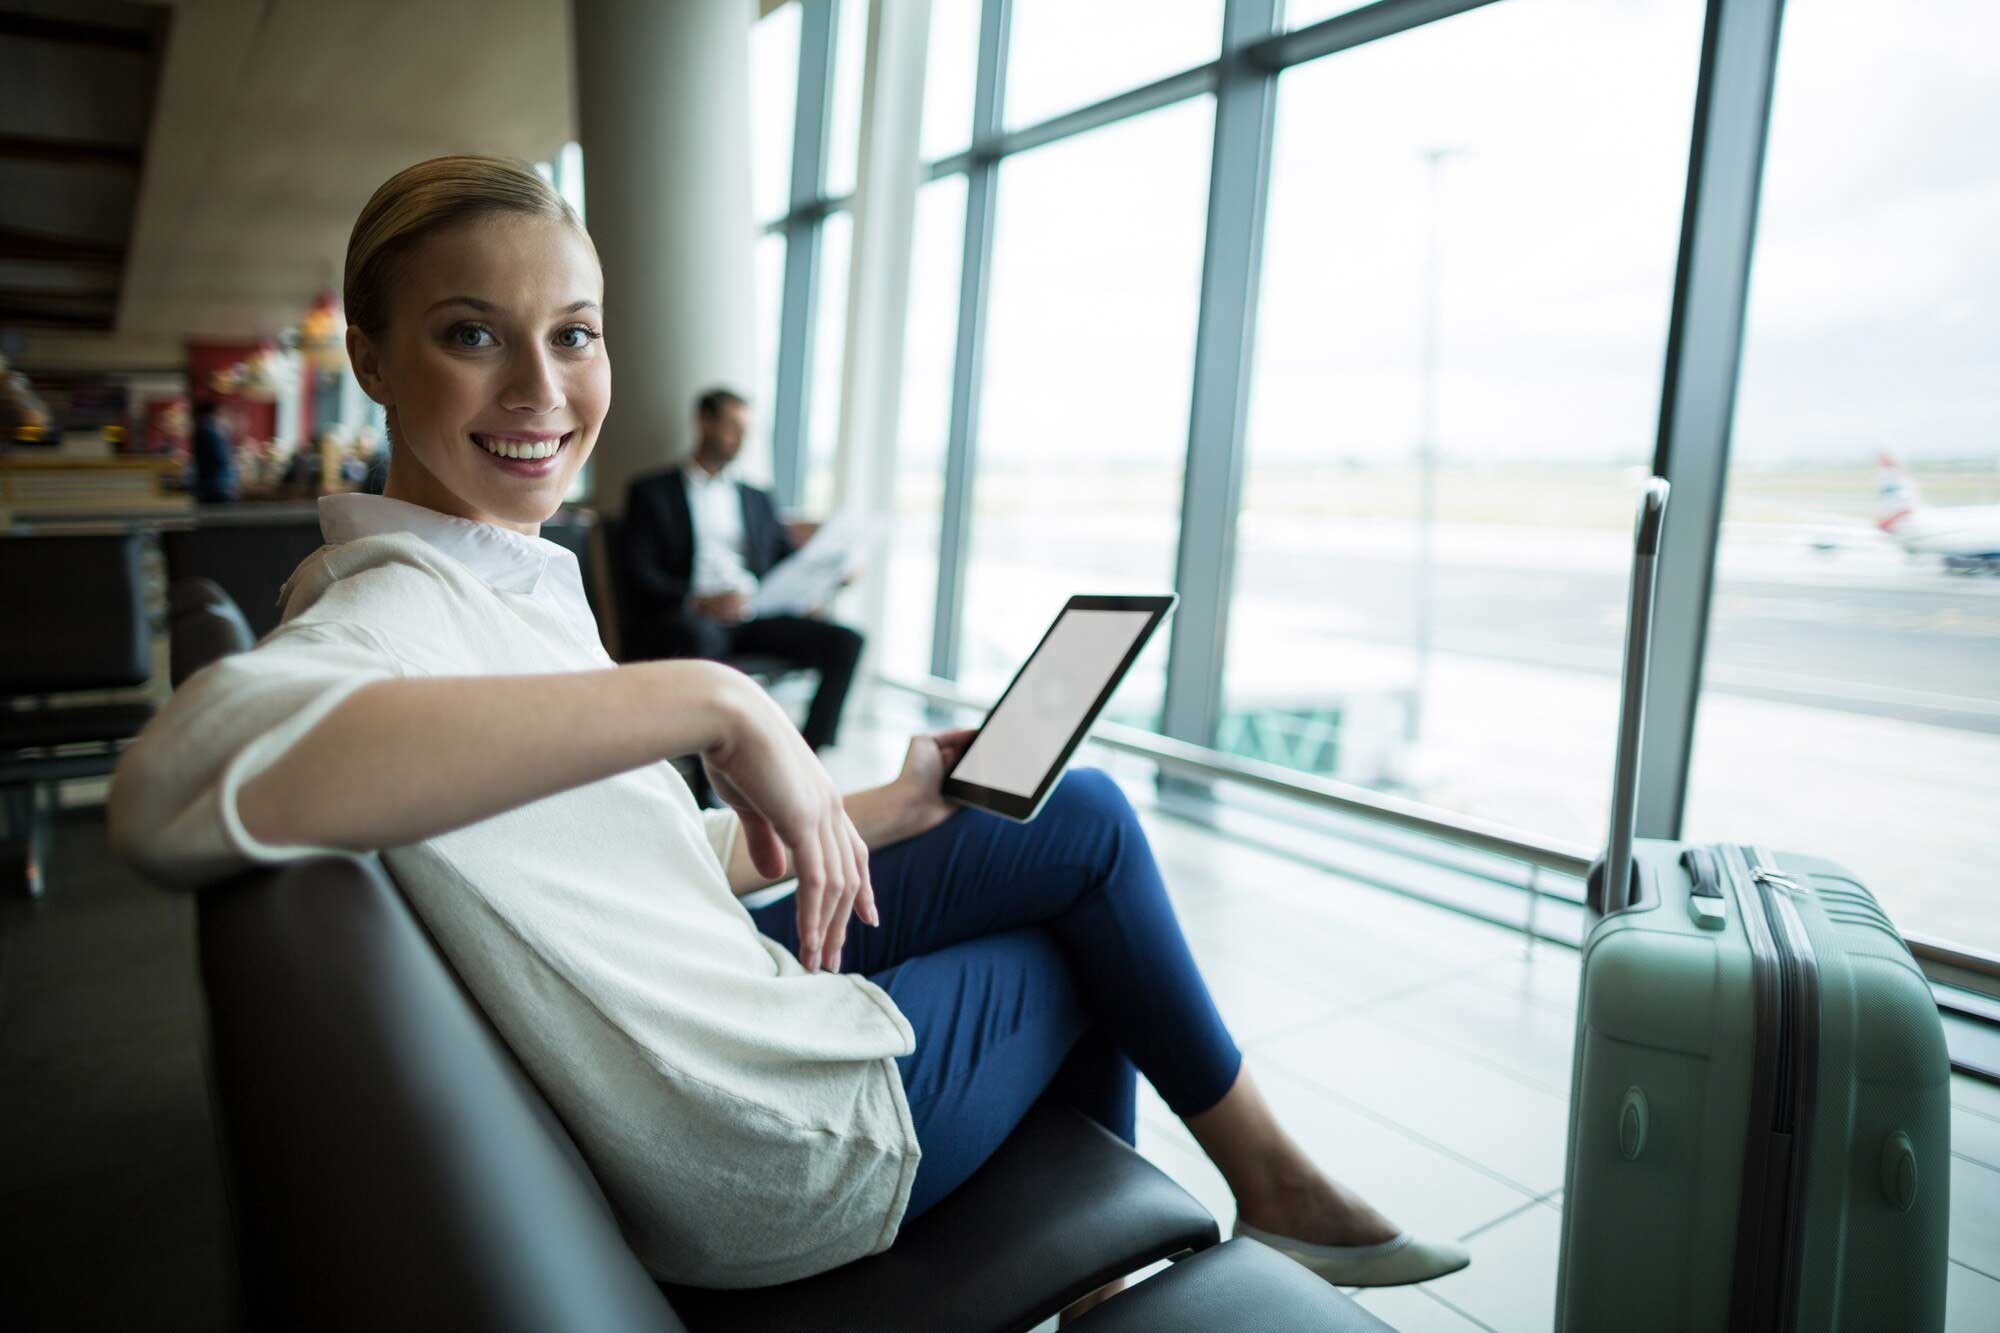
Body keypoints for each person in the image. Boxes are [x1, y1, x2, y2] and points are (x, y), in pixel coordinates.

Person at [107, 155, 1468, 1300]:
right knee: (1077, 941)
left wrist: (869, 804)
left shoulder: (494, 580)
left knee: (1074, 810)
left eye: (573, 333)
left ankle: (1229, 1208)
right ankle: (1224, 1212)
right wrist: (713, 692)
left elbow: (603, 867)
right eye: (473, 334)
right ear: (372, 358)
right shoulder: (386, 615)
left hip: (727, 1004)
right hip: (770, 1139)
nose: (541, 388)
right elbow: (172, 781)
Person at [619, 389, 862, 753]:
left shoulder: (756, 497)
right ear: (704, 421)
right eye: (732, 426)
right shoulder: (652, 492)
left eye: (746, 429)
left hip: (755, 616)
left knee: (846, 641)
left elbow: (788, 561)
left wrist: (829, 577)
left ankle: (808, 752)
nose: (741, 438)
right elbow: (638, 572)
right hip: (695, 619)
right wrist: (700, 602)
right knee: (699, 641)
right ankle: (707, 767)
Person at [189, 398, 238, 503]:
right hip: (216, 486)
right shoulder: (209, 431)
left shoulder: (203, 430)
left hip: (210, 485)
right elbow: (221, 459)